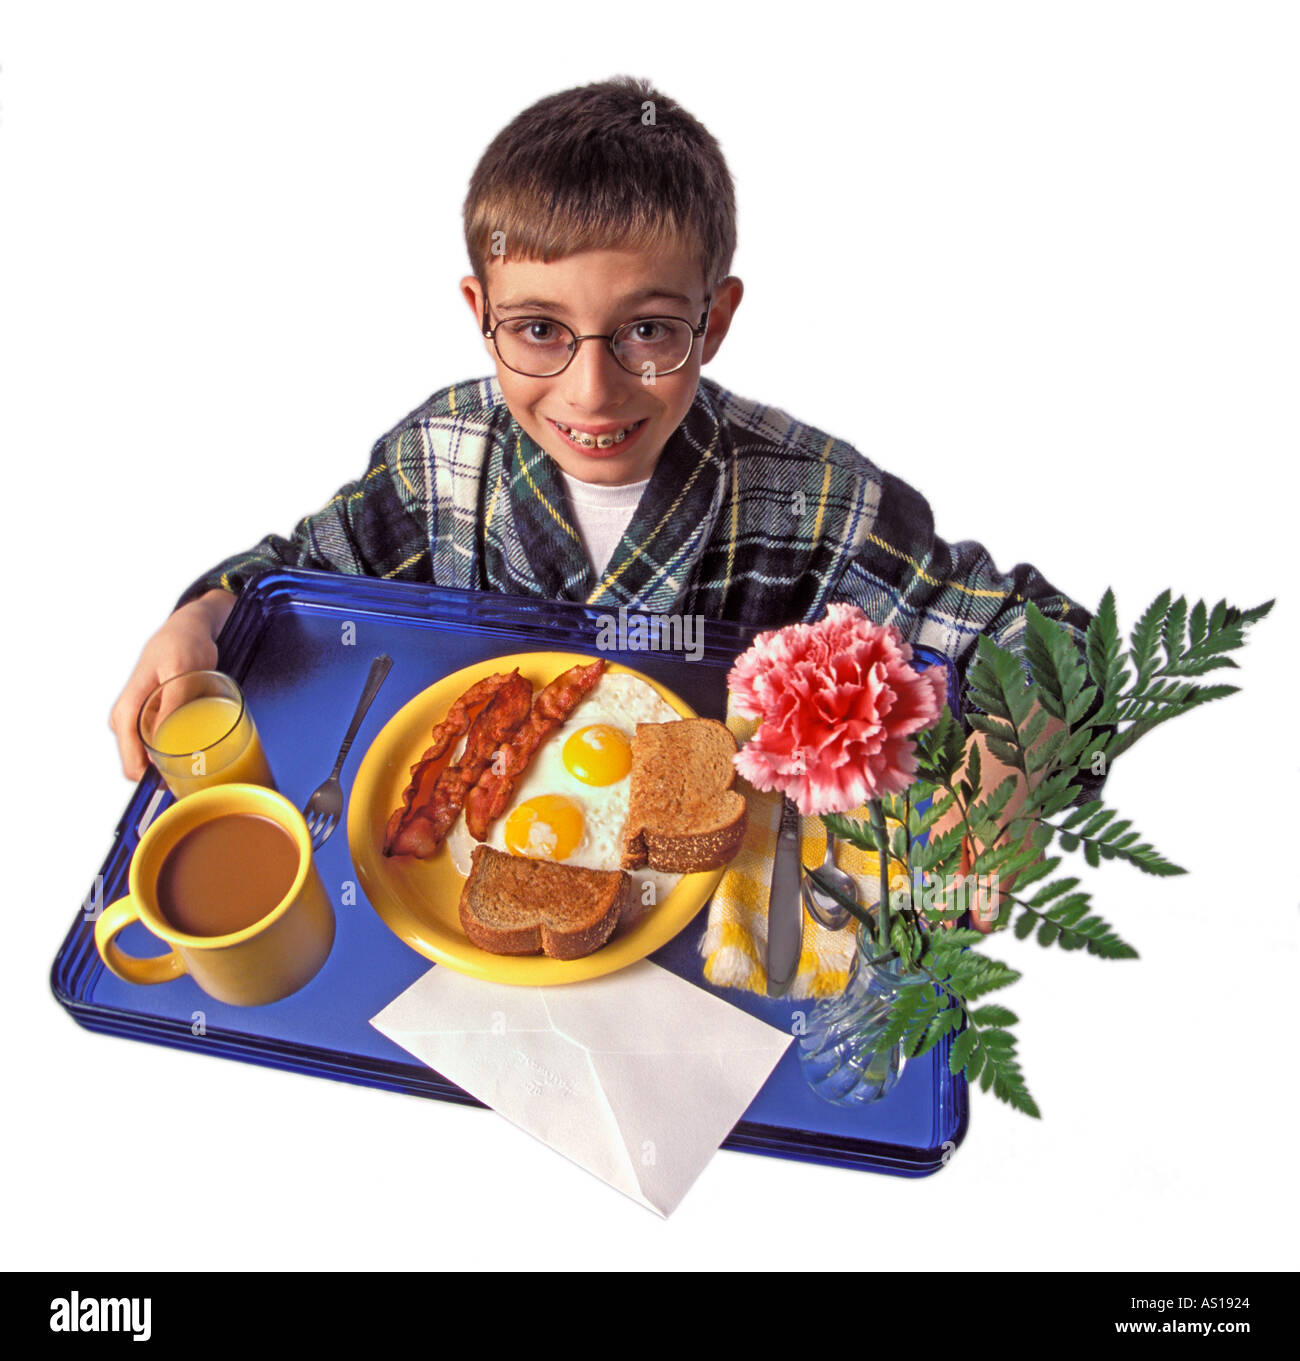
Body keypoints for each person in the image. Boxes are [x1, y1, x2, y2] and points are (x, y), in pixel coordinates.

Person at [109, 77, 1091, 921]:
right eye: (537, 329)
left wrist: (1005, 768)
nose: (590, 391)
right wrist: (201, 615)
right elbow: (289, 580)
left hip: (725, 912)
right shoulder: (440, 454)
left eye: (648, 331)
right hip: (457, 900)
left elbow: (1048, 637)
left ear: (716, 320)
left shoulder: (808, 492)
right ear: (478, 314)